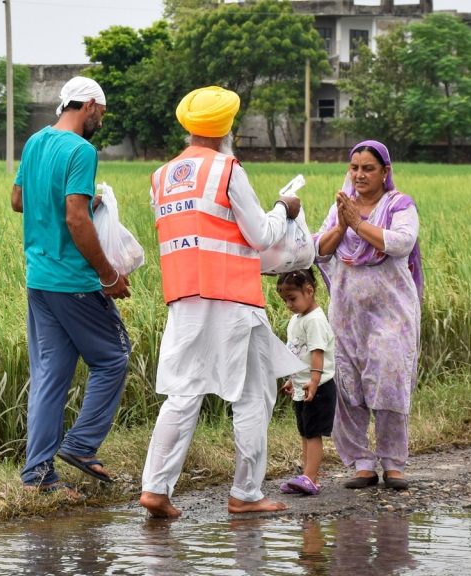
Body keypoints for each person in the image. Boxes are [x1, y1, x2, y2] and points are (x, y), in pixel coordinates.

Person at [139, 85, 305, 518]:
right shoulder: (228, 169)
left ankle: (155, 488)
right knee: (253, 396)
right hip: (233, 298)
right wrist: (284, 208)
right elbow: (261, 235)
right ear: (228, 128)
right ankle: (246, 493)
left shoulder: (161, 177)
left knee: (182, 393)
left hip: (184, 297)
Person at [10, 76, 132, 493]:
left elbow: (18, 201)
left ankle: (37, 474)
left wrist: (76, 199)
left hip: (39, 280)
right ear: (90, 105)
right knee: (113, 357)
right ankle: (81, 445)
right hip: (73, 281)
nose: (102, 120)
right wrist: (109, 276)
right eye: (102, 112)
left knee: (51, 374)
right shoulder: (81, 150)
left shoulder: (35, 142)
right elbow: (76, 219)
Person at [313, 140, 422, 491]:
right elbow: (320, 249)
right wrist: (343, 225)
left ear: (384, 172)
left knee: (389, 379)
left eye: (368, 168)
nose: (359, 175)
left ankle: (393, 463)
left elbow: (401, 243)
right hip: (347, 313)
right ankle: (361, 463)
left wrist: (358, 224)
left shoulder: (399, 205)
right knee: (348, 384)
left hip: (391, 312)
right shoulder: (342, 207)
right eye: (354, 167)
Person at [276, 267, 336, 496]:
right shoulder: (297, 319)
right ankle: (306, 476)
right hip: (302, 386)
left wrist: (314, 380)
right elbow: (297, 352)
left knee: (313, 433)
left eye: (292, 298)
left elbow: (317, 353)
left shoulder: (315, 320)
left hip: (318, 387)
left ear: (309, 291)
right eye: (285, 300)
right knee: (304, 431)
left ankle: (310, 477)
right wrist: (292, 379)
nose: (288, 304)